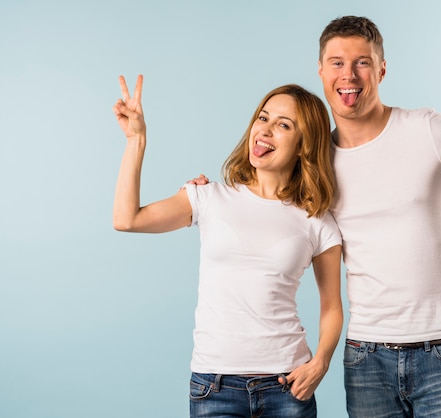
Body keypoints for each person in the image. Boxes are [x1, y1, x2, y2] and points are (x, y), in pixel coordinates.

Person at [189, 15, 441, 418]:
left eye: (362, 62)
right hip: (366, 358)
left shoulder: (425, 128)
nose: (349, 75)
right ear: (321, 71)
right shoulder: (317, 163)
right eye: (337, 62)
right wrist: (203, 193)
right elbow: (264, 203)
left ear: (381, 69)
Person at [112, 76, 343, 418]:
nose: (264, 130)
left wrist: (320, 362)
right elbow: (126, 219)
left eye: (283, 125)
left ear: (303, 145)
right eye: (262, 118)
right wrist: (136, 140)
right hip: (214, 386)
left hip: (287, 387)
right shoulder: (208, 197)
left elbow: (331, 307)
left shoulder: (316, 220)